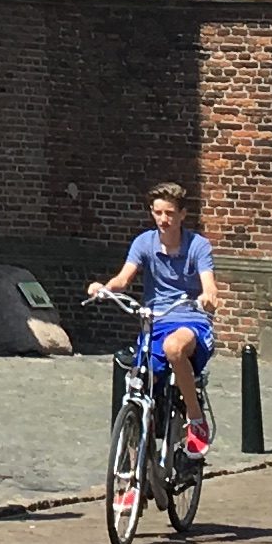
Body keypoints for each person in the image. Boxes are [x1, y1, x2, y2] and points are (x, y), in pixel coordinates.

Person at [92, 187, 219, 458]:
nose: (163, 219)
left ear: (183, 214)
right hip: (156, 319)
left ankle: (196, 420)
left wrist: (208, 297)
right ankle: (131, 475)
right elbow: (124, 279)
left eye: (170, 213)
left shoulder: (198, 246)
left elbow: (209, 284)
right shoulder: (144, 243)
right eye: (158, 212)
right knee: (138, 387)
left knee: (174, 348)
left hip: (190, 319)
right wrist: (106, 288)